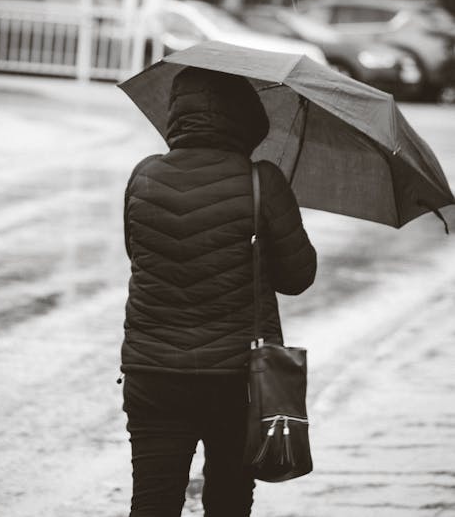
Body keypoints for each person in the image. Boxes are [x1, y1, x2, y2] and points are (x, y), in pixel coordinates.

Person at [121, 67, 317, 517]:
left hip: (152, 372)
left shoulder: (144, 175)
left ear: (176, 114)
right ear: (247, 118)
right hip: (236, 379)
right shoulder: (262, 181)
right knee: (229, 500)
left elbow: (139, 255)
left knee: (152, 502)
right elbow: (297, 277)